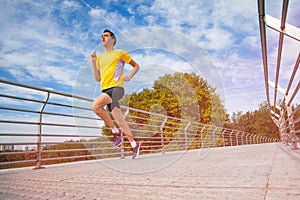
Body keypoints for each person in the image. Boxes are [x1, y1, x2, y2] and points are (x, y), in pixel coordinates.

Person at [91, 29, 141, 159]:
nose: (103, 37)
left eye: (106, 36)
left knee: (96, 106)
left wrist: (129, 76)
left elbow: (136, 66)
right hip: (106, 90)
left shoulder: (120, 53)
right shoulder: (100, 58)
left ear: (112, 40)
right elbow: (97, 79)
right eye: (102, 36)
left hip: (117, 89)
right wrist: (93, 61)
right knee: (121, 122)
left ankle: (115, 132)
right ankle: (134, 144)